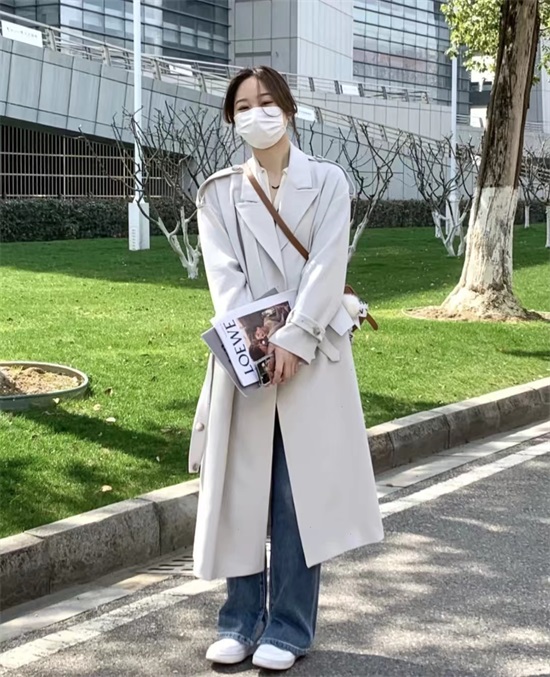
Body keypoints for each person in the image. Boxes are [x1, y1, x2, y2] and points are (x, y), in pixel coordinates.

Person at [188, 66, 384, 672]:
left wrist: (295, 340)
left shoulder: (328, 181)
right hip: (247, 359)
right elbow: (224, 278)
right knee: (242, 492)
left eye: (267, 101)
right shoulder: (218, 193)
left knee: (299, 496)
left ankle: (290, 627)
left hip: (312, 358)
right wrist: (259, 343)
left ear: (290, 109)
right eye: (244, 105)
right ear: (232, 119)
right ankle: (239, 621)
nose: (257, 113)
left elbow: (327, 266)